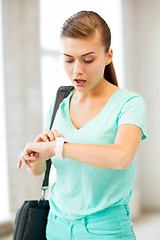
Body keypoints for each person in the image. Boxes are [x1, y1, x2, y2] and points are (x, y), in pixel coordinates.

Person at [17, 10, 147, 240]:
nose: (77, 69)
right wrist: (36, 157)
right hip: (55, 226)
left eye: (88, 59)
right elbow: (40, 171)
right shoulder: (60, 103)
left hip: (105, 229)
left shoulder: (129, 103)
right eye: (68, 59)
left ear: (108, 56)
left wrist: (59, 148)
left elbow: (121, 157)